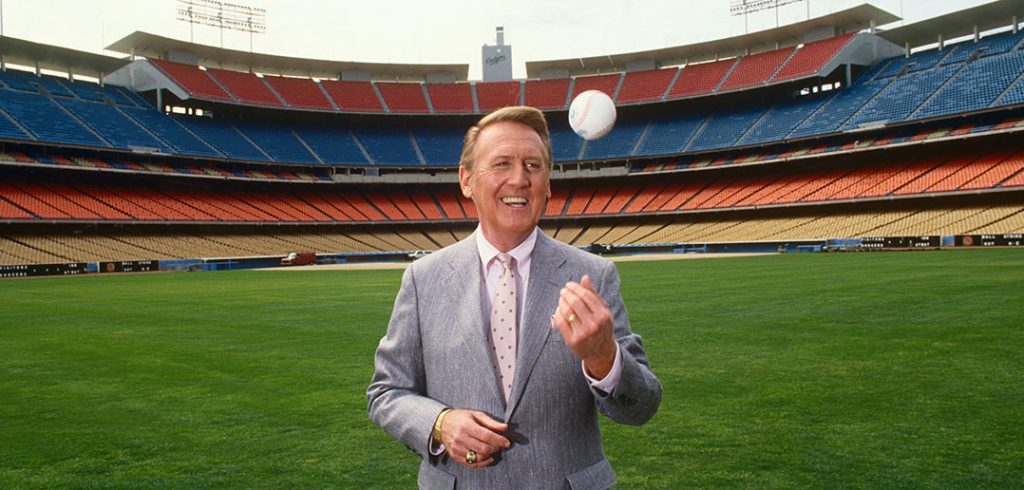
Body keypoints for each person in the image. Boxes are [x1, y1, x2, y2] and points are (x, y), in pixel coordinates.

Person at [367, 106, 662, 489]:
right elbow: (386, 392)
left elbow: (641, 407)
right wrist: (440, 424)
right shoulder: (424, 280)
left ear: (549, 184)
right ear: (467, 179)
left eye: (533, 166)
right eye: (502, 163)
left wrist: (604, 357)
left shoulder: (593, 276)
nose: (519, 179)